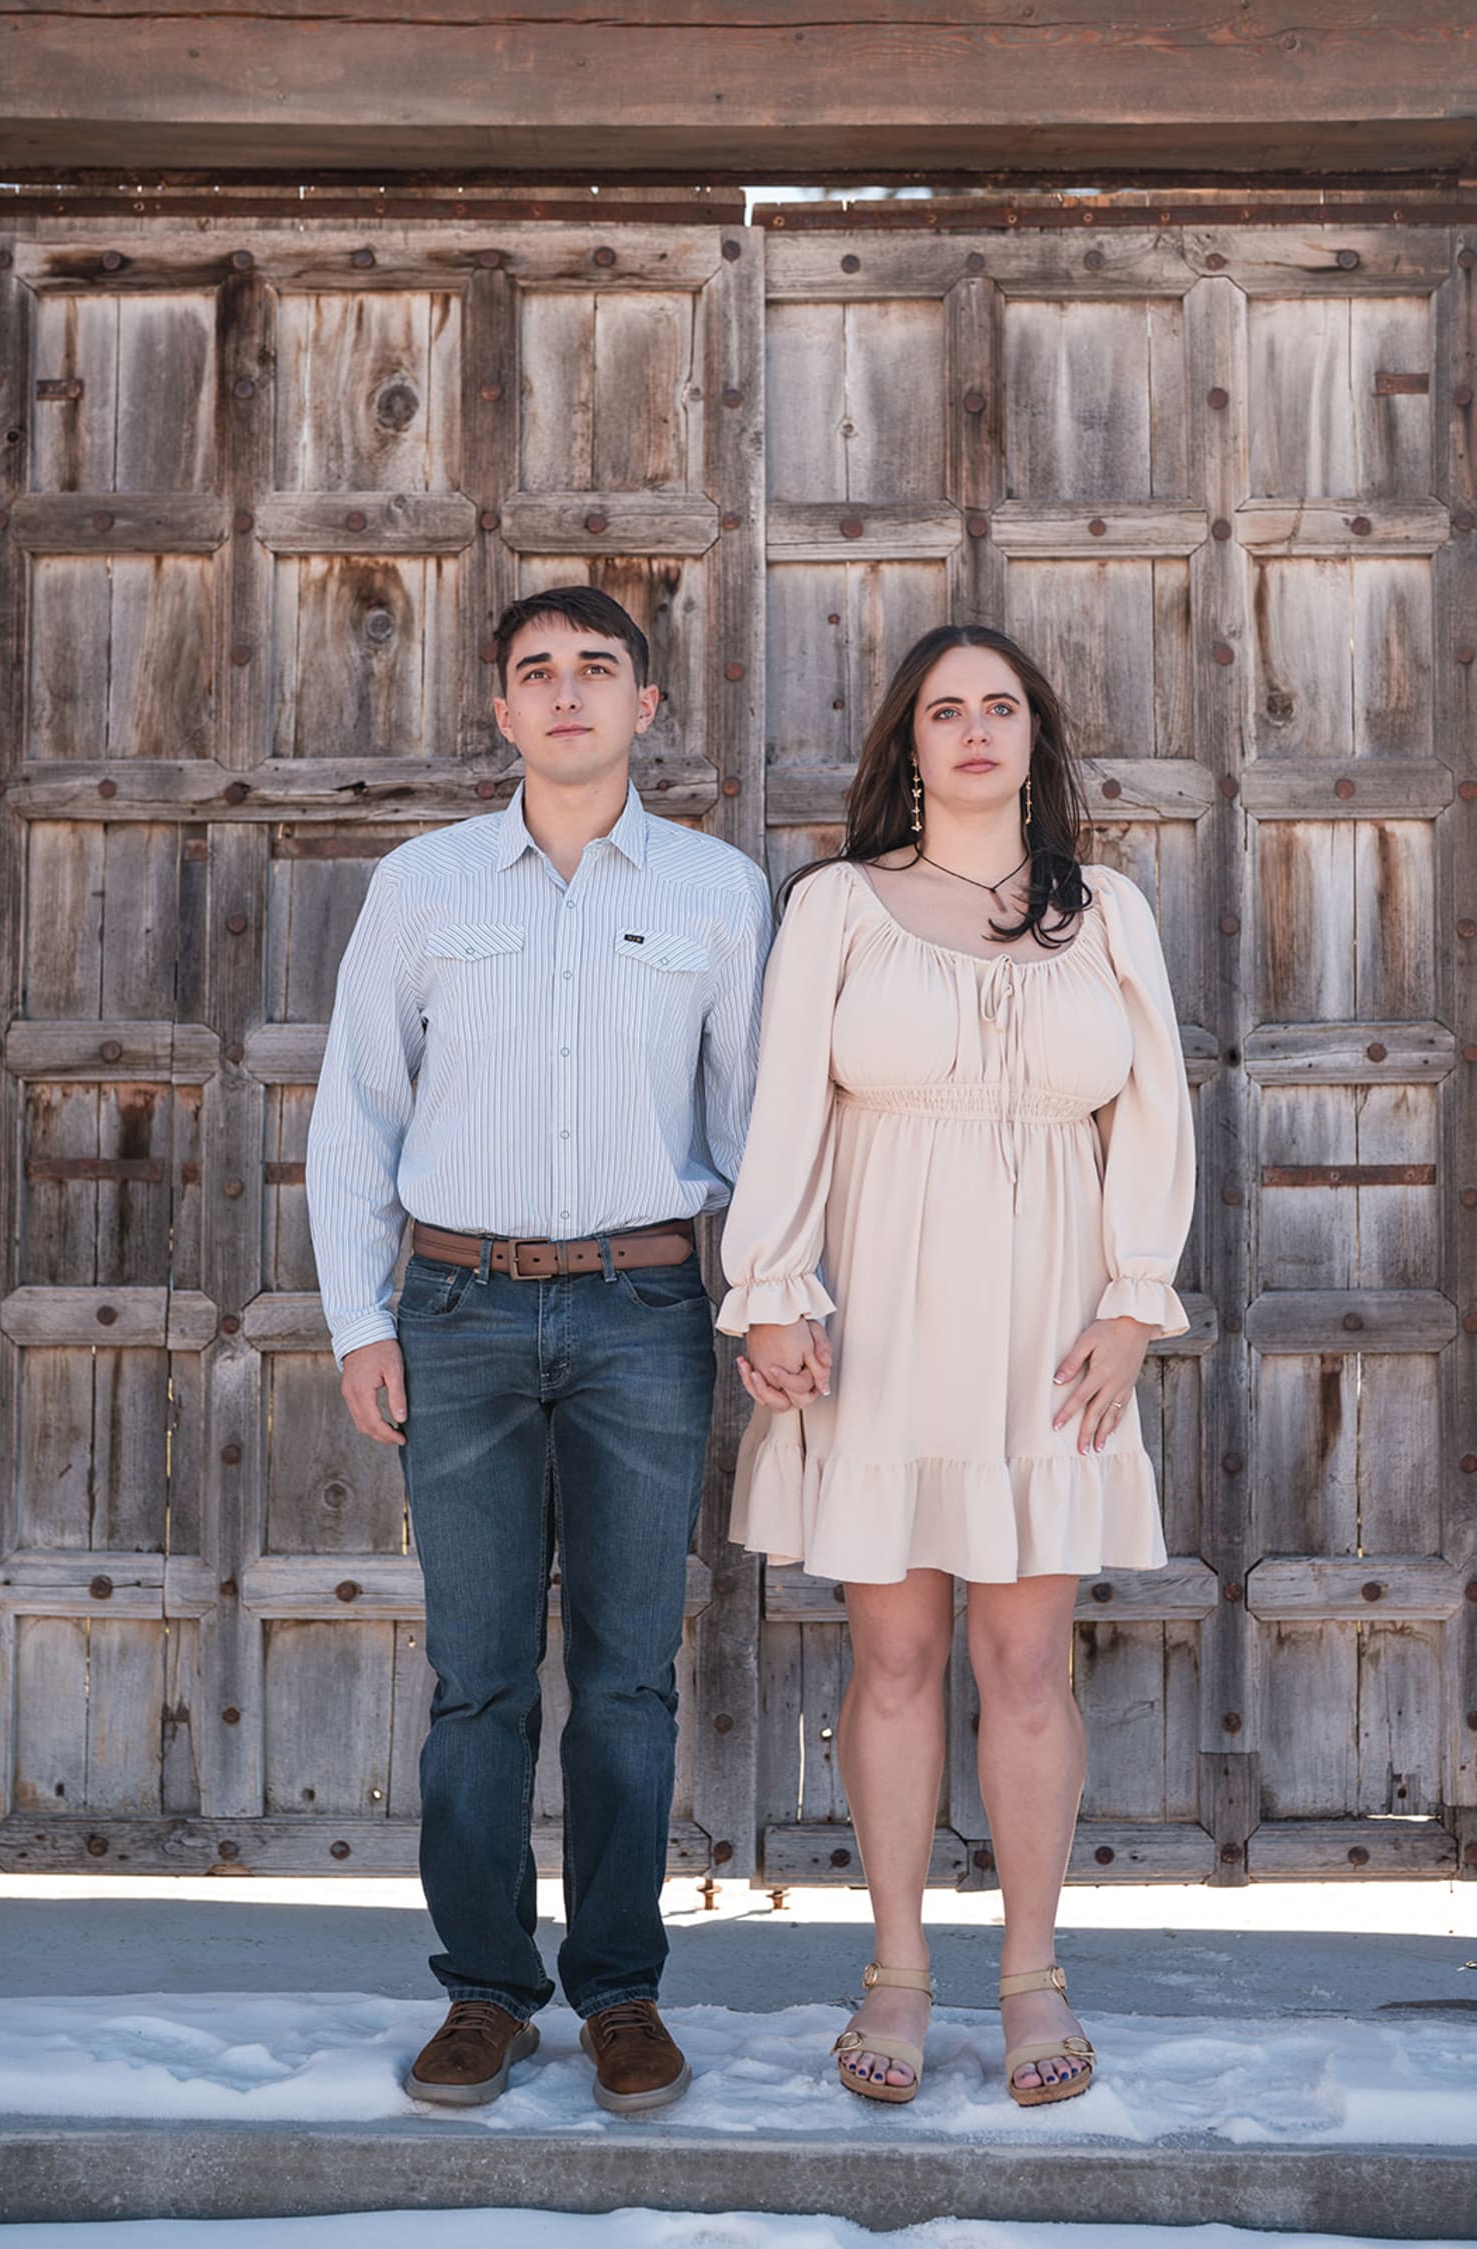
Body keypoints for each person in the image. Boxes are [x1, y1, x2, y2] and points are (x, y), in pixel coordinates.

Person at [306, 585, 773, 2113]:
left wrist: (770, 1294)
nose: (567, 692)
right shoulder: (425, 886)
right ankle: (488, 1991)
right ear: (500, 711)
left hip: (647, 1314)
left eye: (598, 669)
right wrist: (362, 1320)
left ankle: (623, 1989)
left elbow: (756, 1128)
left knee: (632, 1676)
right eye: (536, 672)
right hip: (461, 1315)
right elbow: (355, 1113)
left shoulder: (717, 892)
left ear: (649, 703)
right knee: (480, 1678)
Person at [717, 624, 1194, 2109]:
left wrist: (1132, 1306)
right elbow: (785, 1100)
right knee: (900, 1654)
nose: (975, 729)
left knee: (1026, 1658)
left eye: (1001, 707)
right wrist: (768, 1289)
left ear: (1035, 737)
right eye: (946, 710)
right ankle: (899, 1970)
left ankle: (1035, 1971)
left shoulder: (1107, 912)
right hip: (882, 1325)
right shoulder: (840, 908)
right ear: (908, 744)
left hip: (1053, 1337)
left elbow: (1158, 1115)